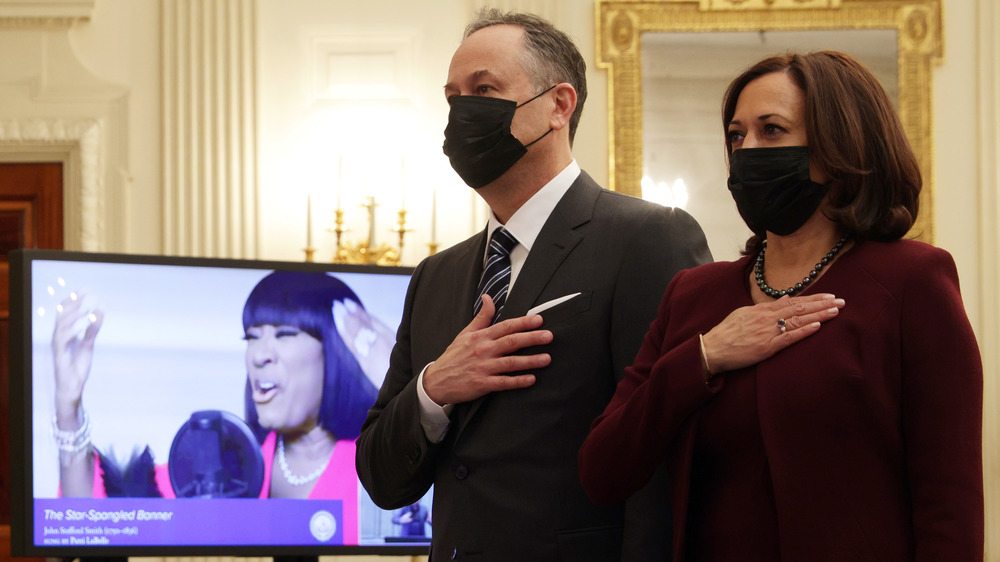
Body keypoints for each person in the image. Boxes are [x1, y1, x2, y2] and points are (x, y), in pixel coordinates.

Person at [578, 50, 984, 561]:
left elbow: (949, 498)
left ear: (839, 143)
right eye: (736, 135)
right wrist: (702, 357)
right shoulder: (692, 295)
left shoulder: (912, 282)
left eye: (771, 130)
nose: (747, 149)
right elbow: (602, 470)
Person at [355, 9, 711, 561]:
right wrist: (435, 387)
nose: (461, 112)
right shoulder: (436, 276)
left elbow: (666, 455)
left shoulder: (647, 238)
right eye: (453, 97)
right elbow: (380, 477)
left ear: (558, 105)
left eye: (484, 89)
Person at [51, 271, 386, 543]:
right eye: (251, 337)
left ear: (337, 352)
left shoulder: (380, 464)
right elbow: (91, 519)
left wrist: (400, 382)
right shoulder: (221, 466)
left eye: (284, 334)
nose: (259, 354)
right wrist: (68, 404)